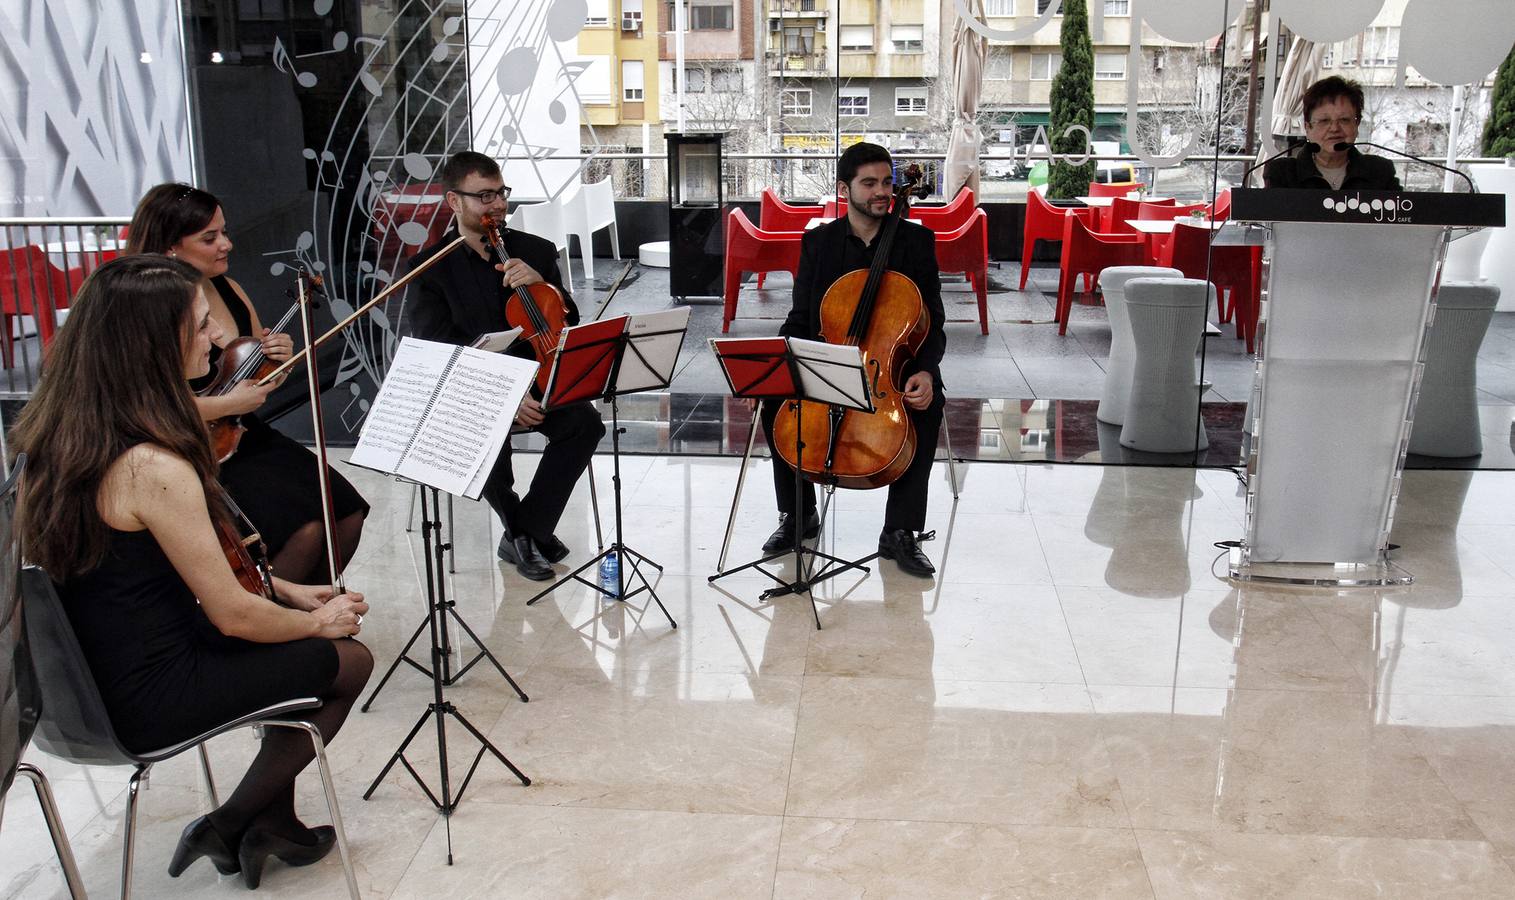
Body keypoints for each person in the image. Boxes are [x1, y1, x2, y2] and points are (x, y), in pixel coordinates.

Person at [10, 255, 373, 889]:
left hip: (84, 687)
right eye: (202, 327)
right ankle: (231, 822)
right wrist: (318, 622)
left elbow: (152, 571)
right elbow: (232, 615)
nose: (218, 339)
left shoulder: (60, 437)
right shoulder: (151, 467)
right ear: (154, 345)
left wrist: (283, 587)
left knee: (299, 644)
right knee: (349, 661)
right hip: (150, 695)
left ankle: (269, 821)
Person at [126, 184, 369, 585]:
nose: (226, 244)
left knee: (345, 512)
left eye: (224, 231)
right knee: (304, 531)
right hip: (191, 443)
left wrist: (276, 358)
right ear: (170, 246)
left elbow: (260, 373)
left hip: (243, 431)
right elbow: (143, 405)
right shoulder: (145, 306)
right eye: (210, 238)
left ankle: (313, 614)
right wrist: (226, 405)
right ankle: (269, 622)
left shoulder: (230, 289)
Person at [406, 151, 605, 581]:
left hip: (540, 379)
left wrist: (545, 284)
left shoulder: (534, 250)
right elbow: (439, 350)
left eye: (500, 193)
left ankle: (526, 532)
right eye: (484, 196)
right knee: (487, 439)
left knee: (585, 425)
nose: (497, 205)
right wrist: (506, 398)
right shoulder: (430, 270)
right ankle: (523, 534)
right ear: (454, 202)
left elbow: (567, 320)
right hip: (475, 391)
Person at [757, 142, 946, 577]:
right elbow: (802, 317)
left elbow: (933, 323)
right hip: (830, 363)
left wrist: (926, 370)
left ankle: (900, 529)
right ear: (845, 189)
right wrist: (778, 367)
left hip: (892, 371)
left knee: (928, 405)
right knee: (775, 400)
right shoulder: (819, 243)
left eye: (887, 182)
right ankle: (798, 514)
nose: (882, 191)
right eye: (870, 183)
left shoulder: (917, 241)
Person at [1263, 76, 1402, 190]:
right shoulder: (1282, 173)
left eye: (1344, 120)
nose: (1334, 128)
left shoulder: (1380, 171)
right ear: (1308, 127)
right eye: (1324, 121)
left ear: (1357, 124)